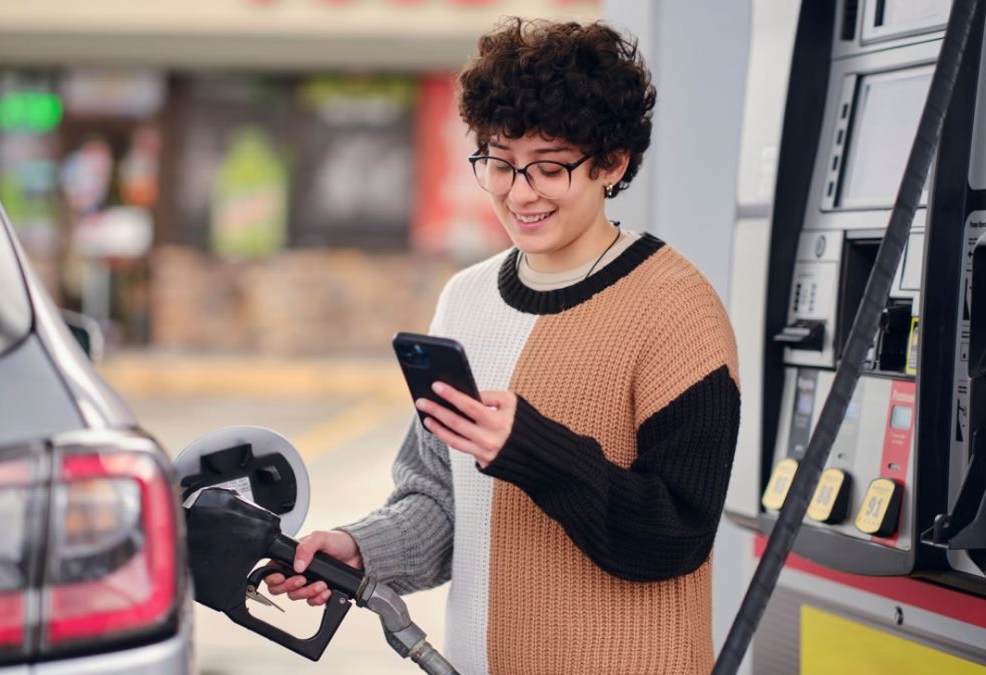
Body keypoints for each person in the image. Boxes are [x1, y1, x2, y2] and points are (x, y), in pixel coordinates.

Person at [266, 16, 740, 675]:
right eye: (499, 162)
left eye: (549, 167)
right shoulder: (466, 299)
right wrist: (361, 548)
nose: (520, 193)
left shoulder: (675, 304)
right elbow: (438, 498)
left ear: (612, 162)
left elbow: (676, 535)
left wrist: (533, 451)